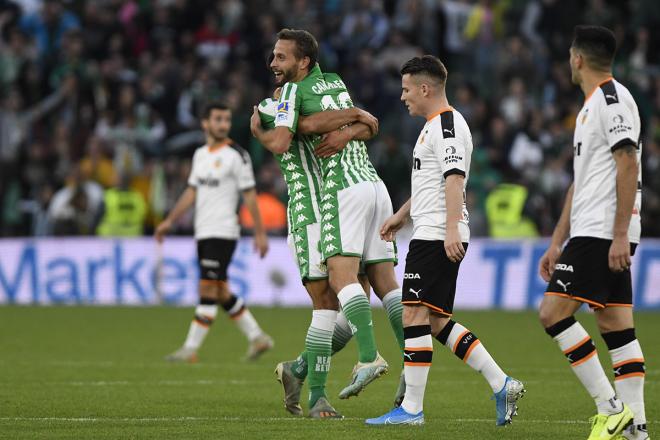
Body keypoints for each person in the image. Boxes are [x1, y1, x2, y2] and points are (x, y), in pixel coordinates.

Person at [366, 55, 525, 426]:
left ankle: (411, 410)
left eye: (406, 89)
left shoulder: (447, 126)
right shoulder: (433, 126)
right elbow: (433, 181)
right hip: (433, 228)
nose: (403, 97)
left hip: (437, 234)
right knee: (435, 322)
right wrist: (402, 215)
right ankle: (502, 384)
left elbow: (454, 179)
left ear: (425, 88)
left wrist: (452, 228)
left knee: (413, 315)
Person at [251, 28, 406, 404]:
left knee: (358, 296)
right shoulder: (279, 102)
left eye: (281, 58)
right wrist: (352, 118)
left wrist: (352, 126)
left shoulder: (326, 84)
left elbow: (369, 126)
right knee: (327, 301)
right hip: (309, 212)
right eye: (273, 57)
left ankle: (299, 369)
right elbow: (291, 135)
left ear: (304, 63)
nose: (273, 64)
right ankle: (318, 395)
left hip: (341, 198)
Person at [537, 25, 647, 440]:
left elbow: (629, 163)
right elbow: (578, 182)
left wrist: (620, 233)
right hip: (590, 227)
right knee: (616, 326)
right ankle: (638, 432)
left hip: (603, 230)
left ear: (577, 58)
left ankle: (611, 408)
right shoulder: (590, 107)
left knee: (552, 314)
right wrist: (556, 239)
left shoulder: (613, 101)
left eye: (569, 55)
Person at [155, 102, 273, 363]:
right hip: (203, 231)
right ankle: (258, 337)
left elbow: (250, 195)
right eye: (218, 119)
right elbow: (191, 191)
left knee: (208, 288)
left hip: (223, 232)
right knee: (220, 291)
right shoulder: (200, 155)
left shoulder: (237, 155)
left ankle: (190, 349)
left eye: (226, 120)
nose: (223, 124)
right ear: (205, 123)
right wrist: (169, 221)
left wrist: (260, 232)